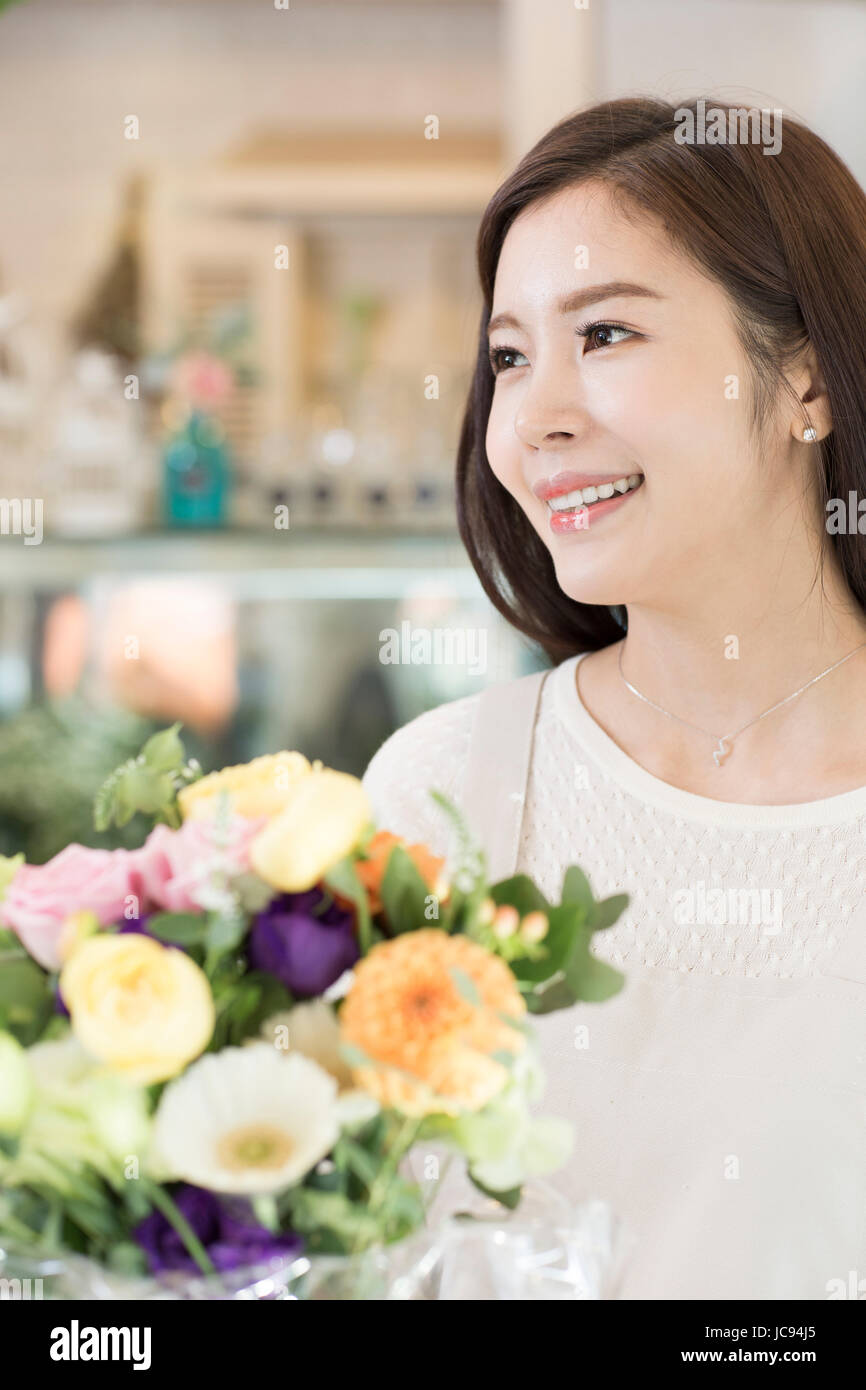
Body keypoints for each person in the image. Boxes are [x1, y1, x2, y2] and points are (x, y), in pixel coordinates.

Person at [361, 97, 866, 1300]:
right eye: (507, 356)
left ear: (804, 374)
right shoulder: (442, 793)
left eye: (605, 336)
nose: (533, 418)